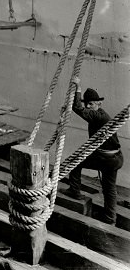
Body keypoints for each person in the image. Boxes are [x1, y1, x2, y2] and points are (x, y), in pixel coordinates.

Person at [66, 80, 123, 224]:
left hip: (105, 158)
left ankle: (74, 191)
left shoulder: (98, 116)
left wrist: (78, 87)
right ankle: (110, 219)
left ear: (99, 104)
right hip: (115, 158)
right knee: (109, 188)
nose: (88, 107)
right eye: (87, 104)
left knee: (74, 161)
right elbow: (81, 108)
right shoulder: (101, 114)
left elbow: (78, 108)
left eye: (91, 104)